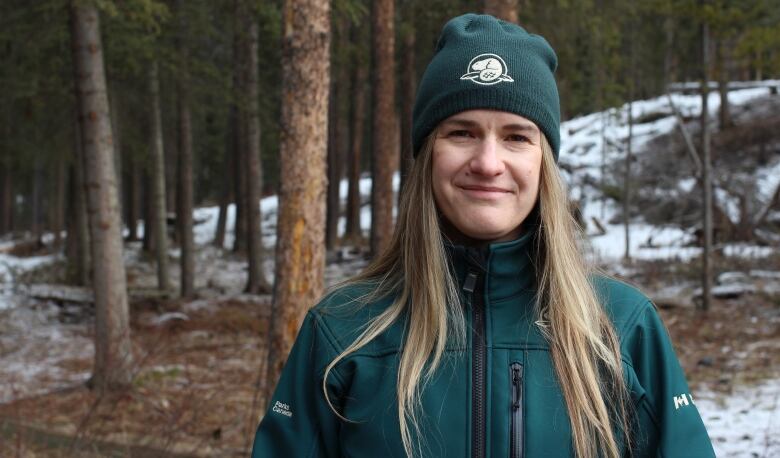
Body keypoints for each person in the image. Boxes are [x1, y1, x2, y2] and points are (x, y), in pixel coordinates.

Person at [252, 13, 714, 458]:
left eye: (516, 137)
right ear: (428, 153)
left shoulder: (622, 328)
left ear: (543, 163)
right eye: (462, 132)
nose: (489, 162)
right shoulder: (343, 331)